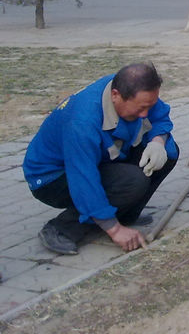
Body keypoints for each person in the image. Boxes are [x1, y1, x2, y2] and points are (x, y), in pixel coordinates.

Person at [23, 63, 179, 255]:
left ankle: (124, 215)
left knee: (168, 152)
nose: (145, 114)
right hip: (52, 177)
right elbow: (83, 179)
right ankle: (62, 228)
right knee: (132, 181)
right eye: (141, 108)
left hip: (95, 159)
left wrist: (157, 143)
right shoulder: (82, 123)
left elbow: (159, 117)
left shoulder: (132, 87)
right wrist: (114, 230)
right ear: (115, 95)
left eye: (149, 106)